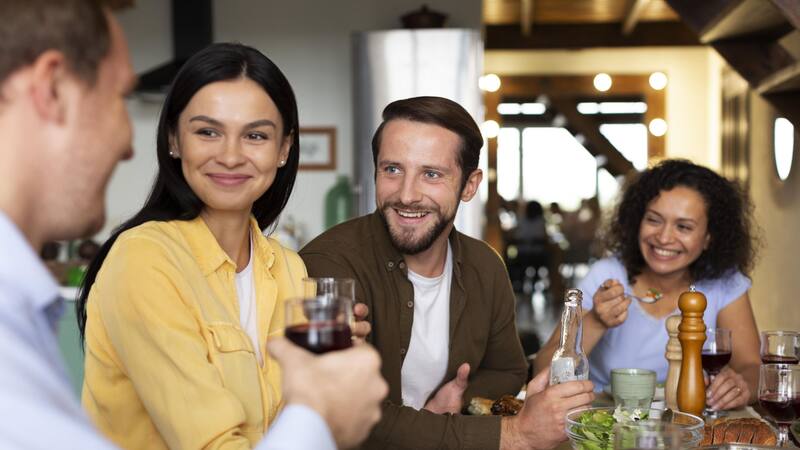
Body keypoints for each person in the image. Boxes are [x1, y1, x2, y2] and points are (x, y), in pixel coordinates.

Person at [0, 2, 385, 448]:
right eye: (207, 131)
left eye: (256, 135)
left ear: (283, 150)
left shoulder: (289, 269)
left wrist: (328, 383)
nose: (230, 154)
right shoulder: (144, 259)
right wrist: (324, 409)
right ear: (173, 140)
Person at [301, 96, 594, 450]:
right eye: (392, 169)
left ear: (470, 185)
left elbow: (507, 371)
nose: (407, 195)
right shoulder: (329, 265)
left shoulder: (485, 265)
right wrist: (513, 434)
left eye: (431, 174)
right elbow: (349, 416)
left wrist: (455, 401)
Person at [534, 159, 760, 412]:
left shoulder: (724, 283)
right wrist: (597, 320)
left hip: (687, 422)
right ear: (636, 220)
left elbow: (752, 367)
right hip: (603, 420)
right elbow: (542, 370)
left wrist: (740, 386)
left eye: (683, 226)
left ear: (709, 237)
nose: (664, 237)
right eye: (654, 220)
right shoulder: (606, 275)